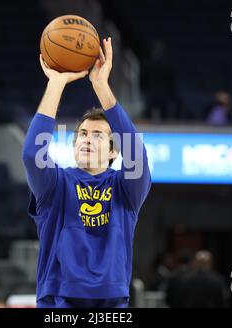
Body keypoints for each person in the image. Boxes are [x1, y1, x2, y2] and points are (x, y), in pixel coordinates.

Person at [22, 37, 151, 308]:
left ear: (114, 151)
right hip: (58, 300)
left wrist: (101, 86)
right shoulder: (56, 183)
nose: (87, 139)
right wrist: (56, 83)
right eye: (82, 134)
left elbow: (137, 154)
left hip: (112, 302)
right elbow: (33, 155)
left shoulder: (126, 189)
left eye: (98, 135)